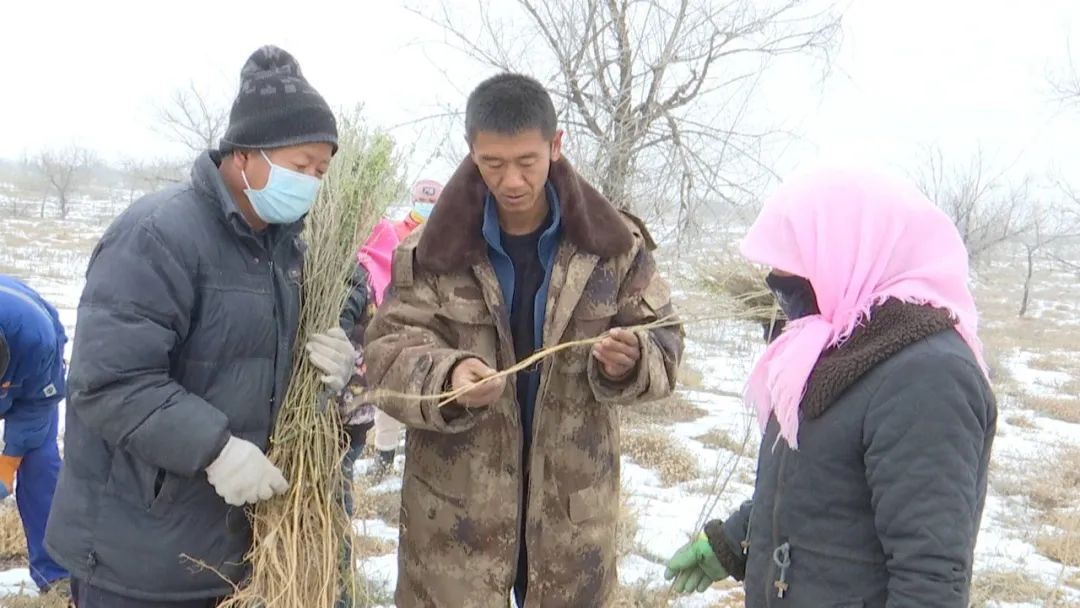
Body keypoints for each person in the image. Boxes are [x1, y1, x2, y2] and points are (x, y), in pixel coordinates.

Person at [44, 45, 355, 607]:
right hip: (137, 558)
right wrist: (215, 449)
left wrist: (330, 369)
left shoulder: (285, 254)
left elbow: (261, 379)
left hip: (228, 554)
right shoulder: (159, 235)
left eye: (321, 170)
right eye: (300, 164)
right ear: (243, 156)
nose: (312, 181)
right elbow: (109, 382)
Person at [364, 73, 684, 607]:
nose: (511, 180)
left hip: (571, 527)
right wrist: (447, 379)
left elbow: (666, 345)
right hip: (454, 532)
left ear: (556, 147)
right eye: (492, 163)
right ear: (471, 153)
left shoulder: (612, 248)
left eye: (527, 161)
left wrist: (631, 362)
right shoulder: (431, 253)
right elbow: (386, 354)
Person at [663, 168, 998, 607]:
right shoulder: (835, 344)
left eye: (795, 263)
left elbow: (929, 575)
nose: (780, 282)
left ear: (847, 250)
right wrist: (734, 539)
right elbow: (820, 486)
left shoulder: (928, 378)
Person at [338, 178, 445, 484]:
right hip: (371, 362)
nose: (427, 202)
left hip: (421, 329)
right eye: (422, 197)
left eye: (432, 197)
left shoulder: (445, 233)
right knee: (389, 399)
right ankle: (385, 457)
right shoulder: (391, 236)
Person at [0, 275, 70, 596]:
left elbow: (38, 407)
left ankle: (56, 574)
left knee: (39, 465)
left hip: (33, 383)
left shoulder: (36, 341)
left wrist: (7, 464)